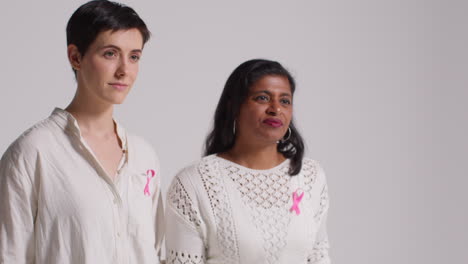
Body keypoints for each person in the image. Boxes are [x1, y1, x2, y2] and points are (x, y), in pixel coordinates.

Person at [0, 1, 164, 263]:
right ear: (75, 57)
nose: (124, 70)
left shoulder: (144, 156)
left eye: (134, 56)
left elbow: (156, 252)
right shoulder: (32, 153)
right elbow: (10, 255)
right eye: (110, 54)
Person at [165, 59, 331, 263]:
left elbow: (318, 256)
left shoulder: (310, 176)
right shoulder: (193, 184)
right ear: (234, 106)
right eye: (262, 98)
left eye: (285, 101)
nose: (275, 108)